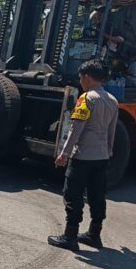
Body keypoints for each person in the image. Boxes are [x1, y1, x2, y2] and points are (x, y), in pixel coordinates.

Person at [48, 59, 119, 251]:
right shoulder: (113, 100)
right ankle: (94, 234)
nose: (80, 81)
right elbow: (112, 132)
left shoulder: (86, 99)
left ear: (87, 77)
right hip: (102, 156)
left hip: (83, 156)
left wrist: (63, 153)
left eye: (80, 77)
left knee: (73, 195)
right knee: (97, 195)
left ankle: (70, 236)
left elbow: (75, 130)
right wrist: (108, 151)